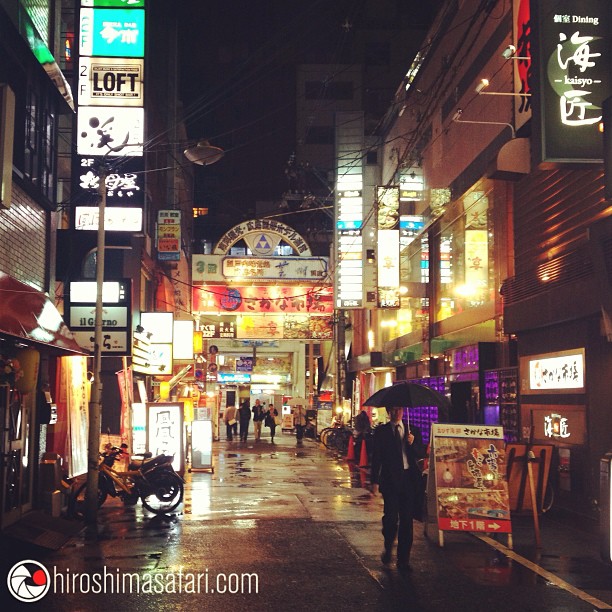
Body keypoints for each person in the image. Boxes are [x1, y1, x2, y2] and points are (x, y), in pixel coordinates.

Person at [370, 407, 426, 571]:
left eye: (399, 409)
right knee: (390, 518)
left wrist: (413, 443)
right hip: (390, 481)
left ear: (403, 410)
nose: (396, 413)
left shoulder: (412, 429)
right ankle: (388, 547)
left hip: (409, 480)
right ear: (388, 412)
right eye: (393, 410)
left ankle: (404, 559)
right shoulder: (382, 431)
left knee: (407, 520)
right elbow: (376, 457)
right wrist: (374, 481)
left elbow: (421, 453)